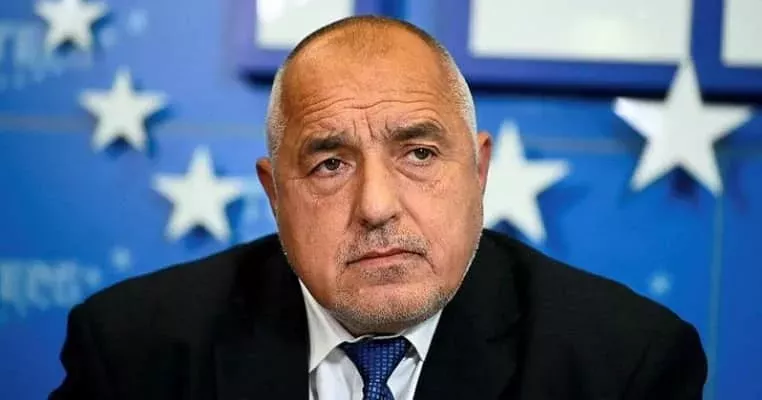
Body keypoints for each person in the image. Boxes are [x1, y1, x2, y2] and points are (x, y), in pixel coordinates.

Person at [49, 15, 707, 400]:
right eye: (330, 164)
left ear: (479, 172)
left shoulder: (623, 364)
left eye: (418, 153)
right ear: (275, 195)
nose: (376, 207)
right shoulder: (133, 353)